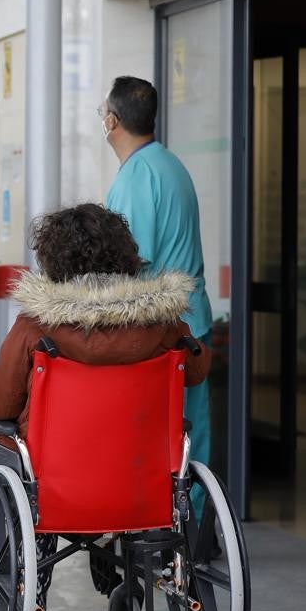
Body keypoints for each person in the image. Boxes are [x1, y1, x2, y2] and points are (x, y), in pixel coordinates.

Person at [0, 203, 211, 611]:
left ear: (54, 260)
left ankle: (31, 603)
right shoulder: (162, 325)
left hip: (57, 487)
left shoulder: (36, 326)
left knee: (12, 456)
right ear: (125, 256)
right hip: (140, 484)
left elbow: (2, 404)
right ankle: (120, 565)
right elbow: (196, 370)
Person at [101, 76, 214, 487]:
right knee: (191, 440)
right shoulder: (170, 164)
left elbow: (129, 261)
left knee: (166, 444)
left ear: (112, 121)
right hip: (192, 323)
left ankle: (172, 523)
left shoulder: (137, 176)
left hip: (164, 332)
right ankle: (196, 519)